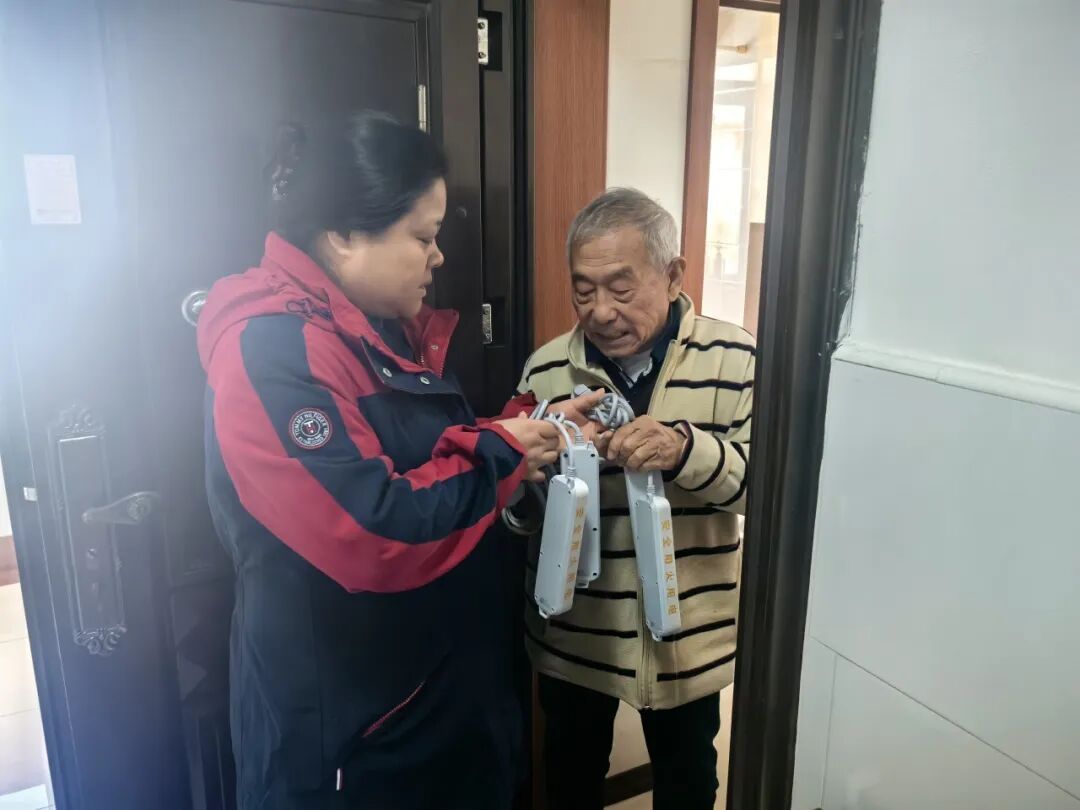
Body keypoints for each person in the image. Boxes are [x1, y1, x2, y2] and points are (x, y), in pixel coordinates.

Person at [198, 112, 600, 809]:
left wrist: (521, 429)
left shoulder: (372, 326)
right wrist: (500, 454)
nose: (437, 257)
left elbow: (411, 453)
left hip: (427, 707)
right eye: (423, 236)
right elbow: (372, 529)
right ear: (344, 234)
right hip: (357, 739)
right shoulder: (272, 352)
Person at [517, 188, 755, 810]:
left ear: (673, 276)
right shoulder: (546, 369)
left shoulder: (736, 358)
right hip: (575, 638)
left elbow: (766, 491)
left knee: (688, 786)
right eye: (583, 291)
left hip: (688, 643)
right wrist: (532, 476)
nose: (600, 311)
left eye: (621, 288)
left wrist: (685, 450)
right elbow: (518, 515)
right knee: (568, 784)